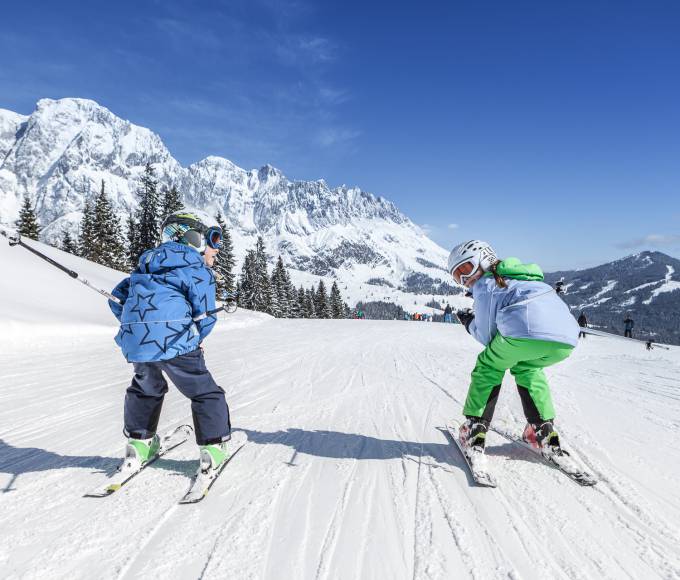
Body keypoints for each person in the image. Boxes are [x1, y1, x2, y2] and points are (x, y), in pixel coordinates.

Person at [108, 209, 232, 475]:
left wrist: (139, 327)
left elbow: (117, 298)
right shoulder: (196, 270)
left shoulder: (145, 265)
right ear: (193, 239)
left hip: (138, 343)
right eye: (212, 240)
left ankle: (139, 444)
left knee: (145, 388)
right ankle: (212, 448)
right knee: (204, 391)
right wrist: (195, 338)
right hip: (176, 339)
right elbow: (205, 316)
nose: (216, 249)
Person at [448, 240, 579, 460]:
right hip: (565, 341)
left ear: (484, 259)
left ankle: (474, 431)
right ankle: (543, 432)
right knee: (527, 368)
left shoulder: (486, 285)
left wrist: (469, 322)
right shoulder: (527, 277)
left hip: (524, 333)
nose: (464, 279)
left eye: (465, 269)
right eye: (457, 276)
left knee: (489, 364)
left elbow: (487, 337)